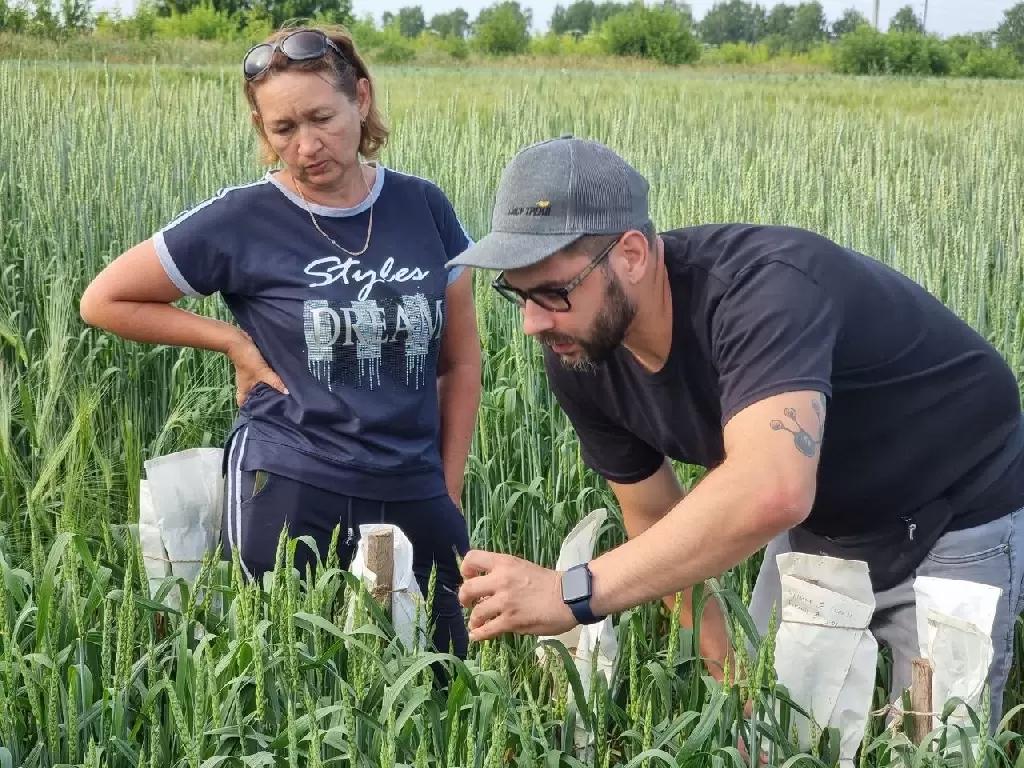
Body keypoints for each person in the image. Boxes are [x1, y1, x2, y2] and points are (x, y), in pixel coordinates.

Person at [449, 135, 1024, 727]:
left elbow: (771, 488)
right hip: (819, 523)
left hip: (953, 510)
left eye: (554, 292)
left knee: (935, 741)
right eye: (517, 294)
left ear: (632, 254)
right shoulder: (579, 348)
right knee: (782, 728)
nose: (532, 322)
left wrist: (572, 591)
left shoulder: (766, 290)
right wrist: (735, 679)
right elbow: (652, 514)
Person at [79, 26, 481, 658]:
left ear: (363, 101)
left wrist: (447, 485)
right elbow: (104, 300)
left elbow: (459, 363)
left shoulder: (423, 206)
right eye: (283, 129)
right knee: (285, 673)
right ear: (262, 131)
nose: (307, 146)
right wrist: (231, 342)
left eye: (322, 118)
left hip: (412, 479)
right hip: (290, 474)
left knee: (442, 669)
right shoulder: (244, 217)